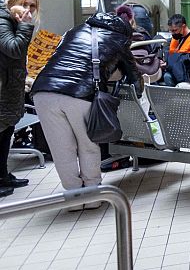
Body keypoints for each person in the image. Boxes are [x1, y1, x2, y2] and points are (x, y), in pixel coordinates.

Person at [31, 12, 143, 209]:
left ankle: (73, 198)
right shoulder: (119, 39)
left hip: (43, 92)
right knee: (88, 145)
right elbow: (134, 75)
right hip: (79, 94)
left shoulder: (74, 31)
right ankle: (91, 196)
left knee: (62, 149)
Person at [0, 0, 38, 197]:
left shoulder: (12, 22)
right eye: (24, 4)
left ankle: (3, 175)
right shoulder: (3, 21)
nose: (28, 10)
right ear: (13, 2)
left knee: (6, 132)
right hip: (3, 87)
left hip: (10, 86)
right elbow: (13, 49)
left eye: (32, 6)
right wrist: (24, 25)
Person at [163, 14, 190, 86]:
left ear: (183, 26)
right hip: (175, 70)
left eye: (175, 30)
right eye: (171, 31)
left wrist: (177, 59)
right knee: (166, 76)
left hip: (189, 73)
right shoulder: (175, 38)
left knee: (168, 76)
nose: (172, 33)